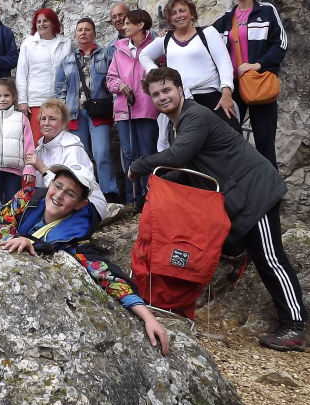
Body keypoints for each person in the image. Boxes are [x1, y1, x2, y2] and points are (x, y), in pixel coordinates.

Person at [130, 67, 307, 352]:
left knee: (271, 259)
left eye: (167, 90)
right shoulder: (183, 123)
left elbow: (176, 157)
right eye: (155, 94)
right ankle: (290, 323)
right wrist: (158, 182)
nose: (162, 97)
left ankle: (295, 327)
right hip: (242, 199)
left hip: (255, 192)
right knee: (263, 259)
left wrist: (138, 167)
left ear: (180, 89)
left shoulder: (195, 116)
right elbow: (186, 169)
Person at [0, 163, 169, 356]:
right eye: (57, 186)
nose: (58, 195)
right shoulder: (27, 197)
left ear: (81, 204)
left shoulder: (75, 238)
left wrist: (148, 317)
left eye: (70, 194)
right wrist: (14, 239)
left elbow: (105, 274)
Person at [212, 0, 287, 169]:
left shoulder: (267, 11)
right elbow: (202, 36)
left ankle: (272, 199)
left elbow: (280, 43)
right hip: (234, 87)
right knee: (229, 140)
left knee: (265, 144)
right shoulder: (226, 19)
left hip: (259, 83)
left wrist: (258, 64)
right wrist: (173, 33)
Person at [139, 0, 240, 133]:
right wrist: (158, 76)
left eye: (182, 10)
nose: (179, 15)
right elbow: (144, 55)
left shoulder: (208, 33)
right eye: (174, 13)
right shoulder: (166, 39)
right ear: (170, 19)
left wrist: (227, 93)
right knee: (191, 144)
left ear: (192, 13)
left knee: (231, 136)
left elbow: (224, 62)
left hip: (211, 96)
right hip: (183, 100)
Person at [55, 18, 119, 201]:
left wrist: (115, 105)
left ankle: (110, 193)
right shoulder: (67, 60)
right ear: (75, 34)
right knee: (80, 157)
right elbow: (60, 90)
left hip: (100, 112)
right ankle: (84, 194)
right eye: (80, 30)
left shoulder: (106, 55)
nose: (83, 33)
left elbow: (114, 80)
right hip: (75, 113)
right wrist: (61, 116)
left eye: (87, 30)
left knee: (102, 154)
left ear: (94, 33)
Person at [106, 10, 160, 212]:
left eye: (129, 23)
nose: (124, 26)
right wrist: (120, 85)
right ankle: (132, 199)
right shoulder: (119, 50)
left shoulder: (155, 46)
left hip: (147, 108)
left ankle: (149, 197)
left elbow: (163, 70)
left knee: (147, 153)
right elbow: (110, 79)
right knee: (128, 155)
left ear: (141, 25)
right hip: (124, 110)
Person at [24, 99, 106, 223]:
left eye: (52, 119)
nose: (46, 123)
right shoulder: (39, 150)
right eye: (43, 119)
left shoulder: (72, 147)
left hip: (85, 204)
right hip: (59, 203)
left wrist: (41, 167)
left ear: (63, 124)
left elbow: (71, 188)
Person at [16, 8, 71, 144]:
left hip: (60, 100)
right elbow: (21, 73)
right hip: (36, 100)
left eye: (45, 20)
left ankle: (57, 166)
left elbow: (70, 72)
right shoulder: (28, 44)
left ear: (53, 23)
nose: (41, 24)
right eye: (38, 21)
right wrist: (22, 100)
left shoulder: (65, 43)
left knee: (59, 141)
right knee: (37, 141)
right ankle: (36, 166)